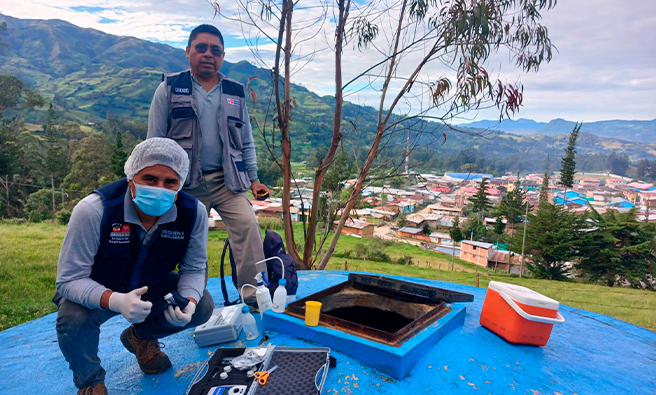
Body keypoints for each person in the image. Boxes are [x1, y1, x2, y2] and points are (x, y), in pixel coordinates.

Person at [54, 138, 215, 395]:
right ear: (131, 177)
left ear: (180, 184)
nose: (160, 188)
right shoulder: (94, 210)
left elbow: (194, 268)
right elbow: (69, 280)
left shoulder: (193, 213)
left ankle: (140, 337)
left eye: (170, 182)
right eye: (150, 179)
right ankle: (91, 381)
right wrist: (116, 300)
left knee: (202, 306)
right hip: (99, 289)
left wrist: (190, 300)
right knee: (72, 318)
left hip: (152, 285)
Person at [147, 24, 270, 303]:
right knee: (190, 242)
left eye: (215, 50)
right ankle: (191, 301)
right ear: (188, 51)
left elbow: (246, 142)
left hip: (228, 182)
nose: (207, 54)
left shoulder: (235, 93)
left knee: (248, 226)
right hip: (186, 185)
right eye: (201, 48)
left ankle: (253, 297)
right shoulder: (168, 89)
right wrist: (158, 184)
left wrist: (254, 179)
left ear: (223, 56)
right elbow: (154, 143)